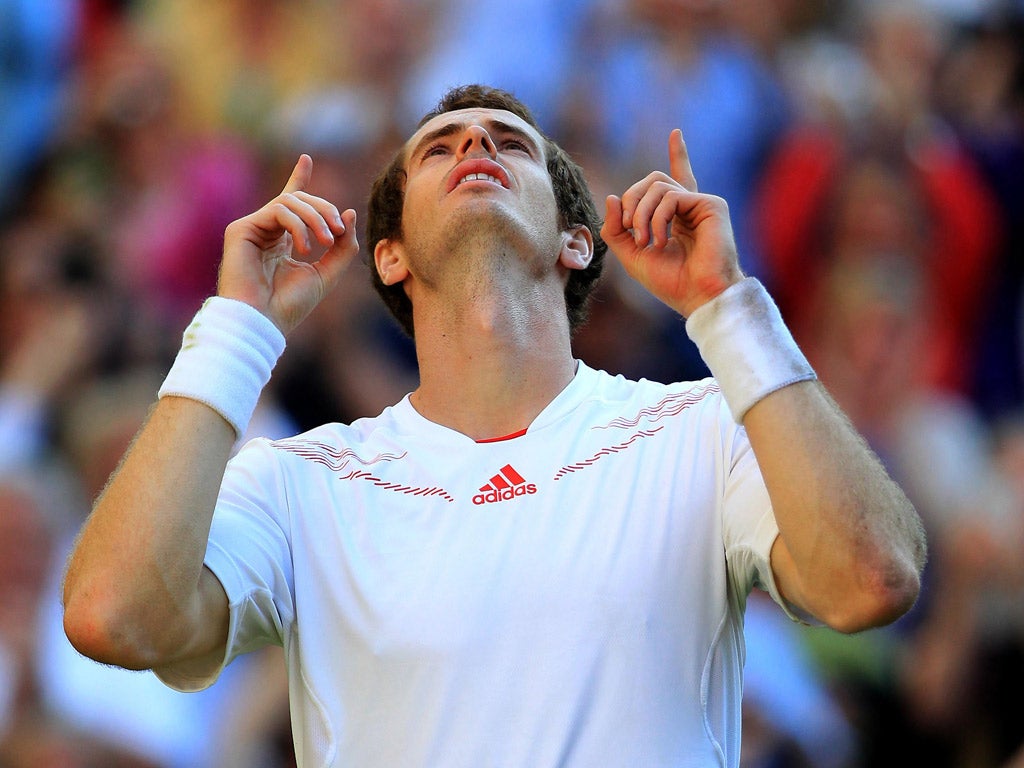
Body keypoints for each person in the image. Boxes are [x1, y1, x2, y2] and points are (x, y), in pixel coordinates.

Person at [61, 85, 927, 766]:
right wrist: (236, 331)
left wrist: (728, 309)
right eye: (440, 148)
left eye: (510, 143)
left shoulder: (701, 430)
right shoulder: (300, 480)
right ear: (388, 255)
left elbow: (871, 579)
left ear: (575, 243)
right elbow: (111, 615)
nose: (476, 145)